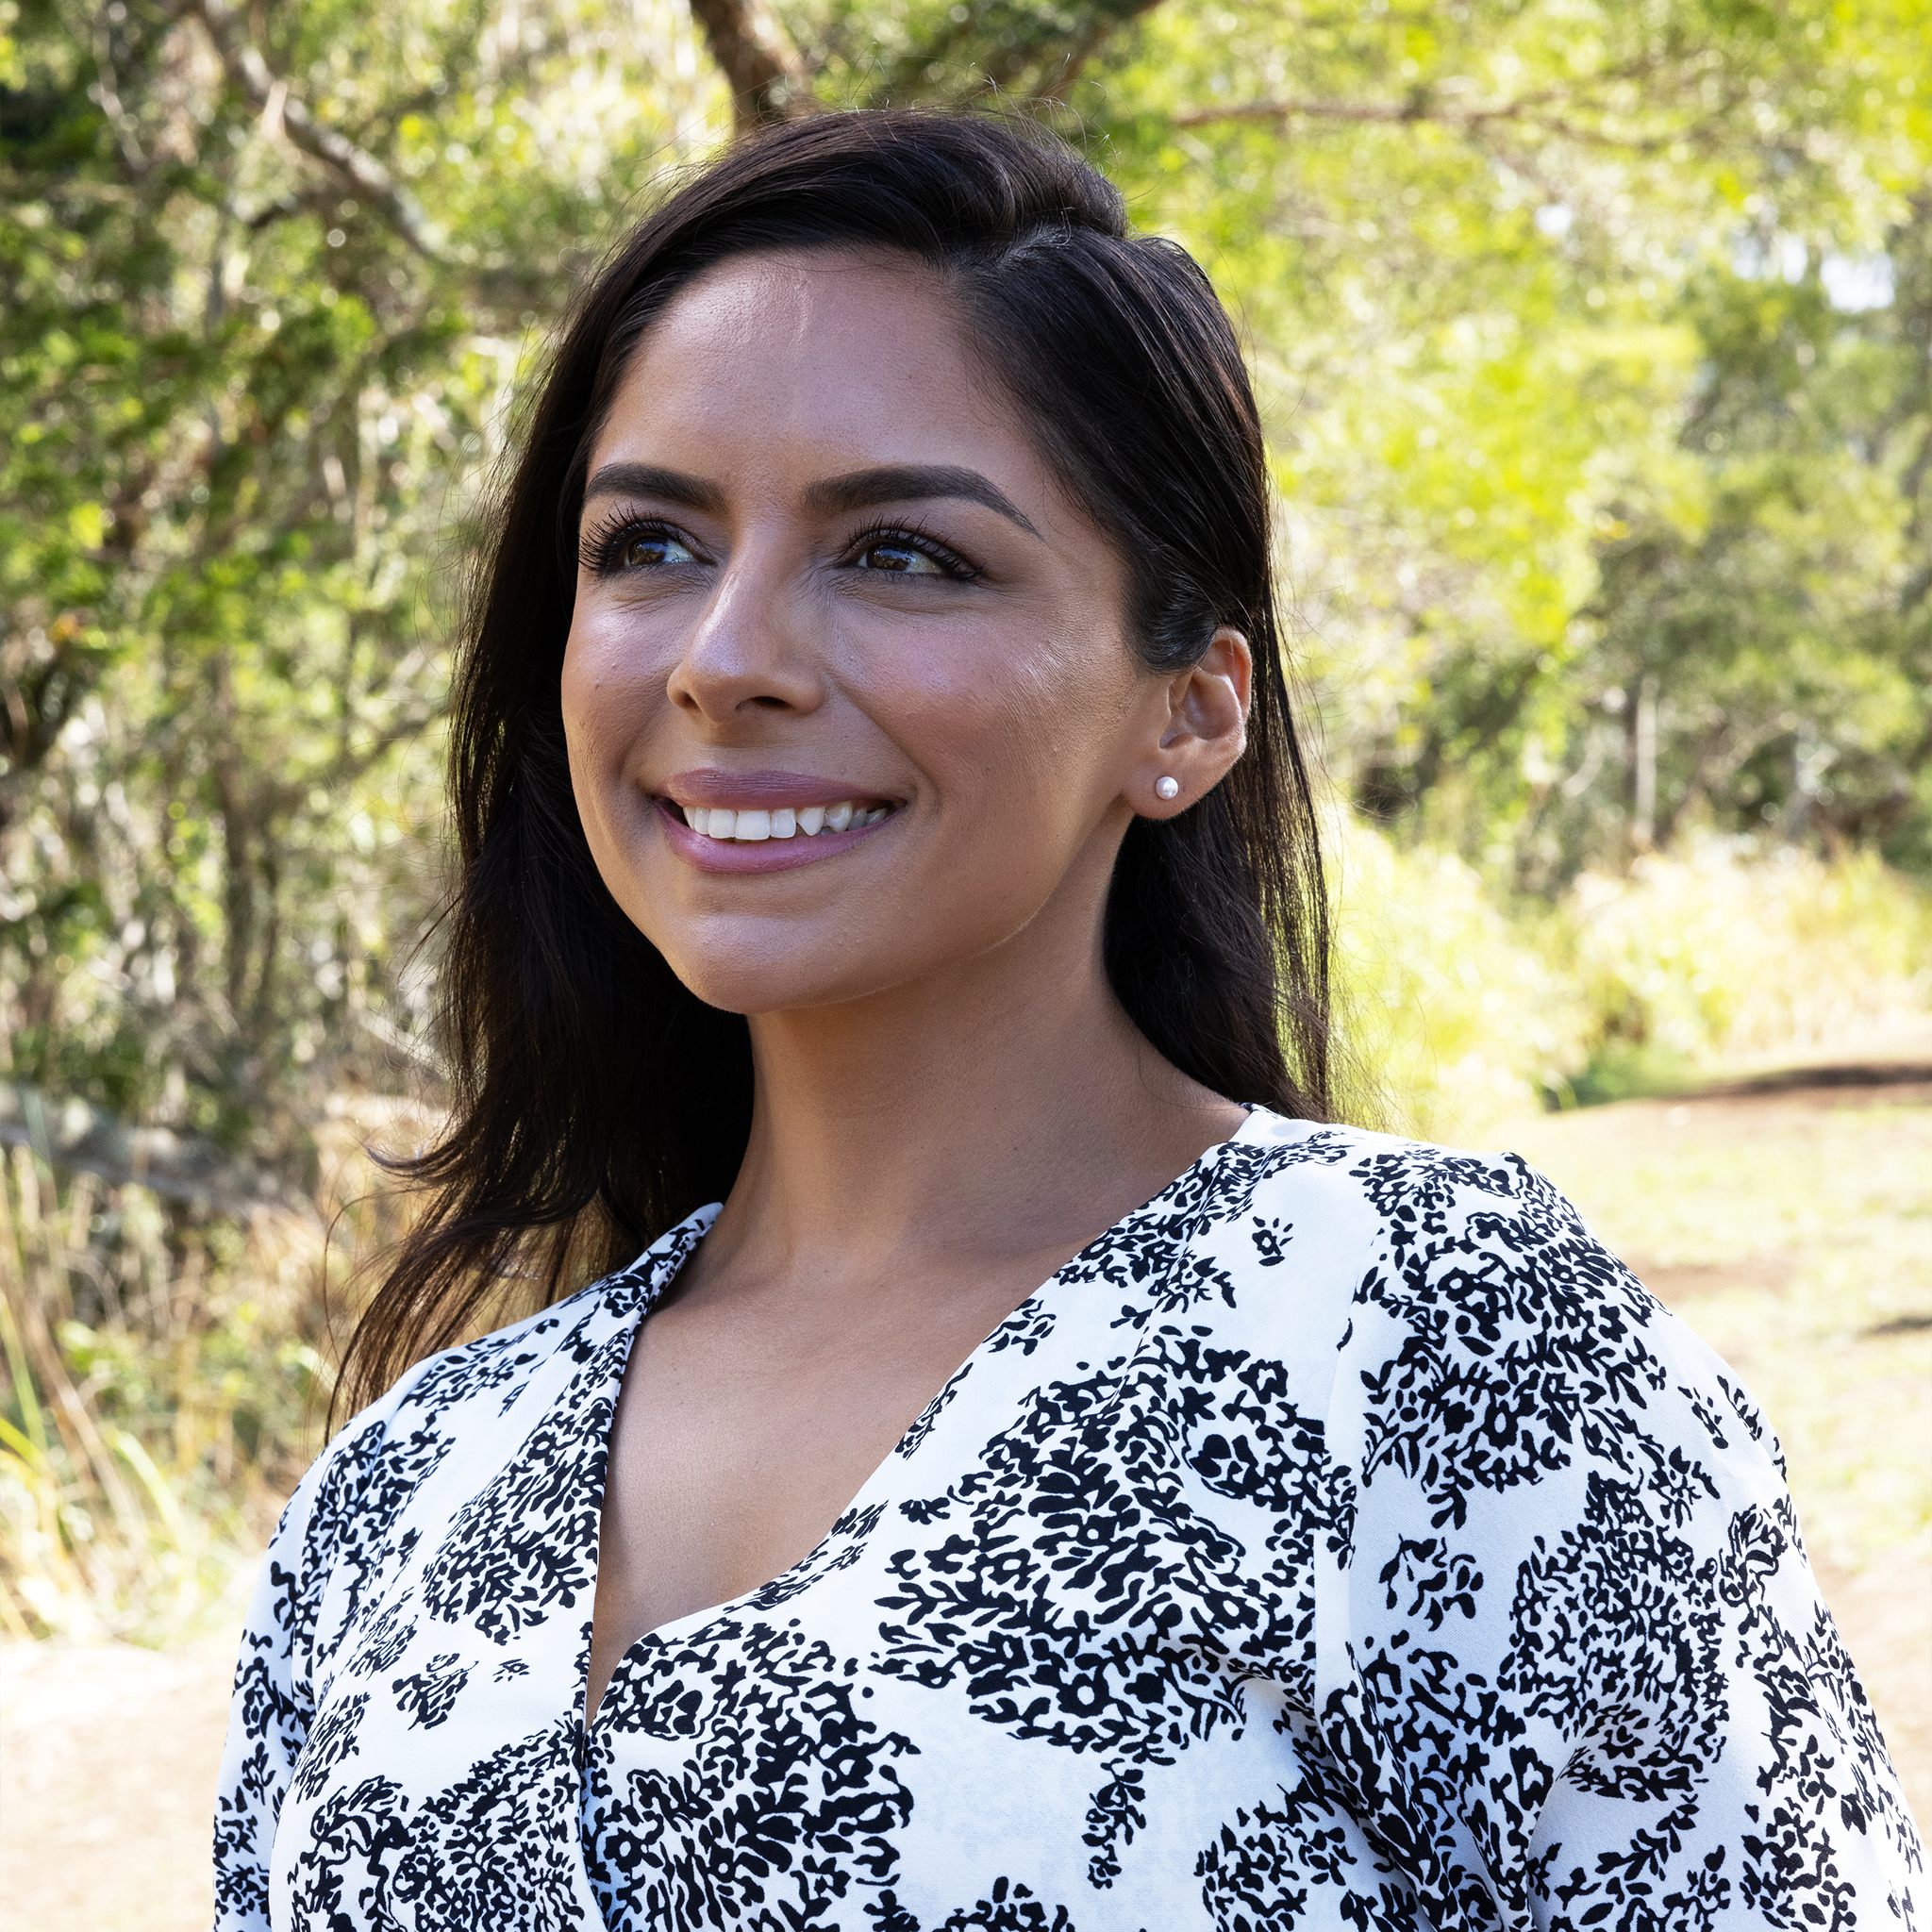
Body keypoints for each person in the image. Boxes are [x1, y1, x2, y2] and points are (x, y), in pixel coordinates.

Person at [213, 111, 1922, 1932]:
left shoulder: (1428, 1346)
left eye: (906, 556)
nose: (726, 656)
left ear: (1186, 712)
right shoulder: (407, 1487)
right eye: (647, 546)